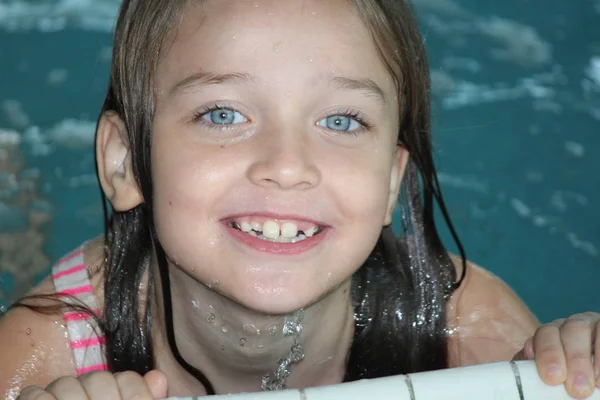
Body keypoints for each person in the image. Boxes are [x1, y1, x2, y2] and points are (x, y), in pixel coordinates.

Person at [0, 0, 598, 399]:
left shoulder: (463, 326)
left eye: (341, 121)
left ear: (391, 182)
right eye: (223, 113)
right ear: (126, 161)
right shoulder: (45, 352)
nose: (287, 167)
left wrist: (567, 365)